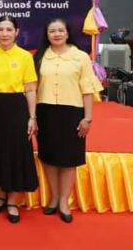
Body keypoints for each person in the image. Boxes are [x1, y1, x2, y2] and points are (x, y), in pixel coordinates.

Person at [33, 18, 96, 223]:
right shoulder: (40, 57)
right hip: (45, 112)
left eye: (61, 30)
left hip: (72, 113)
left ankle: (63, 201)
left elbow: (88, 88)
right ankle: (53, 197)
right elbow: (32, 89)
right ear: (47, 35)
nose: (57, 34)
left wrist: (88, 118)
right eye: (52, 31)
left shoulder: (81, 57)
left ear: (68, 33)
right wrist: (32, 116)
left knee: (69, 159)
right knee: (49, 157)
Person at [0, 16, 39, 223]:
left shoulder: (25, 57)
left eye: (9, 29)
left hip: (17, 109)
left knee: (16, 152)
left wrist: (32, 117)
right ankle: (1, 196)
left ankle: (12, 201)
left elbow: (30, 89)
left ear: (16, 32)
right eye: (1, 29)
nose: (5, 34)